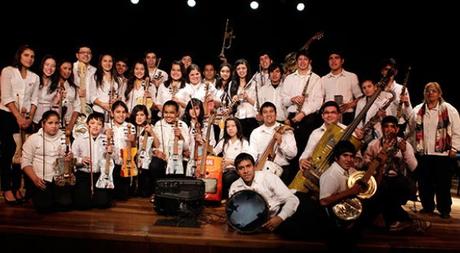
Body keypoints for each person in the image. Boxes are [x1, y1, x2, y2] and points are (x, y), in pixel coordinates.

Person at [407, 82, 460, 219]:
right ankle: (428, 206)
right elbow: (411, 131)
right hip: (423, 153)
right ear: (424, 93)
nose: (431, 94)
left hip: (442, 153)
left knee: (443, 183)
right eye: (428, 91)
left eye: (434, 91)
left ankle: (444, 209)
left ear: (439, 93)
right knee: (425, 183)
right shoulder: (417, 110)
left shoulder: (449, 109)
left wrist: (454, 148)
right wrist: (411, 149)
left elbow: (456, 131)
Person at [364, 116, 420, 231]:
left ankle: (395, 219)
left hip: (398, 180)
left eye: (392, 127)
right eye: (386, 127)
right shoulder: (374, 144)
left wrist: (404, 152)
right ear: (382, 128)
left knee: (386, 192)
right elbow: (366, 161)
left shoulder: (405, 144)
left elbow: (413, 167)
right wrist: (377, 161)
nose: (389, 129)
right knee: (381, 192)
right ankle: (405, 220)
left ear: (397, 129)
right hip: (379, 178)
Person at [1, 45, 40, 204]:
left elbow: (34, 100)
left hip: (25, 118)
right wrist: (17, 116)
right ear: (19, 56)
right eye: (26, 55)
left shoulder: (34, 77)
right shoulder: (8, 71)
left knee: (21, 152)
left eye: (32, 56)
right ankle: (6, 188)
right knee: (8, 151)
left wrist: (29, 117)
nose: (29, 58)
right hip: (7, 115)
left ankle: (18, 187)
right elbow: (6, 96)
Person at [229, 152, 299, 234]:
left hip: (286, 207)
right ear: (237, 171)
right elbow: (236, 212)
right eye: (241, 168)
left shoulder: (268, 177)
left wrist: (280, 218)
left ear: (254, 167)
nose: (246, 171)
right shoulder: (235, 187)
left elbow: (292, 199)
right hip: (264, 220)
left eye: (248, 166)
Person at [22, 110, 73, 212]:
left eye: (56, 123)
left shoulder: (64, 137)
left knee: (65, 205)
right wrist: (35, 179)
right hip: (41, 179)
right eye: (50, 123)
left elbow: (69, 160)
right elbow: (25, 163)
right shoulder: (33, 139)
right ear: (43, 123)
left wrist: (69, 159)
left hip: (59, 178)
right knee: (43, 207)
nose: (54, 126)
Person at [281, 50, 323, 155]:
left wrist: (303, 113)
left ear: (310, 62)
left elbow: (318, 102)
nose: (302, 62)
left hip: (308, 119)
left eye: (305, 59)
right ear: (296, 62)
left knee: (305, 149)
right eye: (300, 59)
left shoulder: (316, 78)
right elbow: (283, 100)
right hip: (291, 118)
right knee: (290, 150)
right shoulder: (289, 78)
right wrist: (292, 99)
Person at [72, 112, 114, 209]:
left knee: (103, 204)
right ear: (87, 124)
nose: (96, 126)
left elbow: (112, 159)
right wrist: (81, 160)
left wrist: (111, 152)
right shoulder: (79, 139)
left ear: (103, 127)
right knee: (82, 205)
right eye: (93, 123)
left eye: (99, 124)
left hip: (100, 175)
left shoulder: (106, 139)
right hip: (84, 174)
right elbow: (72, 158)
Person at [250, 102, 297, 183]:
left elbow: (292, 154)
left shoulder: (286, 130)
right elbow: (252, 154)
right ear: (261, 116)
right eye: (265, 112)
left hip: (281, 170)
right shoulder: (255, 132)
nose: (268, 114)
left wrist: (281, 143)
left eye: (271, 111)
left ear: (276, 114)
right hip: (262, 170)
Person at [213, 117, 251, 199]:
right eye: (227, 127)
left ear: (238, 127)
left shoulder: (243, 142)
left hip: (237, 171)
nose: (230, 129)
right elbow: (213, 153)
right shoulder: (224, 141)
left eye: (233, 126)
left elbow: (246, 160)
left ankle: (226, 198)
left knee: (228, 177)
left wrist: (230, 162)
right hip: (223, 170)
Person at [321, 50, 362, 125]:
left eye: (336, 58)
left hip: (347, 116)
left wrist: (348, 105)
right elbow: (320, 99)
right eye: (331, 58)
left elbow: (359, 97)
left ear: (342, 61)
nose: (333, 61)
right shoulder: (323, 79)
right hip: (329, 117)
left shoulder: (351, 76)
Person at [129, 104, 159, 197]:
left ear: (146, 116)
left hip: (146, 160)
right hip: (133, 158)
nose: (139, 117)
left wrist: (151, 132)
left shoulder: (150, 127)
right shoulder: (130, 127)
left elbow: (157, 144)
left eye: (142, 115)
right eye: (137, 115)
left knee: (144, 192)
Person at [183, 98, 215, 177]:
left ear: (201, 110)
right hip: (187, 159)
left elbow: (212, 144)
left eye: (197, 108)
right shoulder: (184, 125)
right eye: (191, 108)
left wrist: (202, 141)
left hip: (202, 160)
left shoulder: (207, 125)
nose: (193, 111)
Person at [229, 59, 258, 139]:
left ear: (247, 69)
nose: (241, 71)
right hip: (238, 119)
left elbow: (258, 104)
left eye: (243, 68)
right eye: (238, 69)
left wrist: (247, 98)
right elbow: (230, 107)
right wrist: (234, 100)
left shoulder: (254, 83)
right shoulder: (232, 84)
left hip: (252, 119)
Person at [90, 54, 121, 119]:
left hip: (113, 112)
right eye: (105, 61)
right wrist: (103, 105)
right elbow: (92, 96)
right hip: (98, 111)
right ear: (100, 63)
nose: (108, 63)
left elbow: (119, 95)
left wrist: (116, 100)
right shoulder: (95, 77)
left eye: (110, 61)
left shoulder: (118, 79)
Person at [32, 55, 57, 131]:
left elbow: (54, 104)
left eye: (53, 66)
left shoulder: (56, 83)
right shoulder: (34, 78)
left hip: (47, 120)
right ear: (42, 65)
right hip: (32, 118)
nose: (49, 68)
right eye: (47, 65)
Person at [73, 44, 96, 115]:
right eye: (83, 52)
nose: (86, 54)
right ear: (77, 55)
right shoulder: (71, 68)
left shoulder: (94, 70)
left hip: (90, 107)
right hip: (74, 105)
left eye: (88, 53)